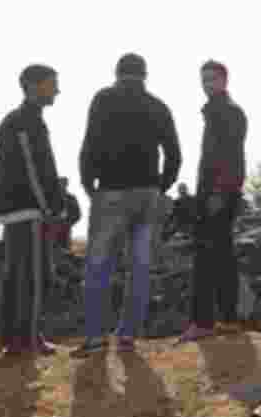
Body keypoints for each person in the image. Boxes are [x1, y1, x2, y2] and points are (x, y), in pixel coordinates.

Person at [74, 53, 181, 357]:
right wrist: (162, 187)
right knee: (140, 267)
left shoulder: (103, 99)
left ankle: (95, 339)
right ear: (144, 75)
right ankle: (127, 335)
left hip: (110, 191)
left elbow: (89, 141)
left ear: (117, 72)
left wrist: (87, 182)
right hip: (147, 194)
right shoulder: (158, 106)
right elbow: (174, 152)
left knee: (98, 267)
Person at [0, 63, 64, 356]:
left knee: (17, 275)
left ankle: (14, 339)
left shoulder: (21, 119)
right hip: (28, 210)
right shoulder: (25, 121)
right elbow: (34, 170)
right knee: (32, 277)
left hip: (18, 211)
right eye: (52, 84)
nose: (57, 90)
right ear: (33, 86)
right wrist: (49, 208)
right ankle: (29, 339)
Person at [178, 59, 248, 344]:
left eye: (212, 79)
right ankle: (228, 320)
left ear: (224, 80)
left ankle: (203, 322)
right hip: (216, 193)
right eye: (203, 79)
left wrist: (219, 193)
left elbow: (231, 156)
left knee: (207, 257)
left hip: (219, 194)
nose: (207, 84)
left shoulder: (228, 112)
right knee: (221, 256)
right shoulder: (217, 112)